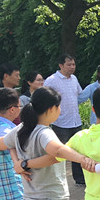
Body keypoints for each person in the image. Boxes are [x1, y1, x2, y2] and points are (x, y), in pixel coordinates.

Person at [43, 54, 85, 185]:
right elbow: (45, 98)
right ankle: (56, 180)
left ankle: (80, 179)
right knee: (59, 154)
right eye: (69, 64)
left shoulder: (74, 79)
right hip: (60, 123)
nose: (72, 67)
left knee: (78, 152)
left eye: (73, 64)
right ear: (61, 65)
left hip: (75, 121)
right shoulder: (51, 80)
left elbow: (79, 95)